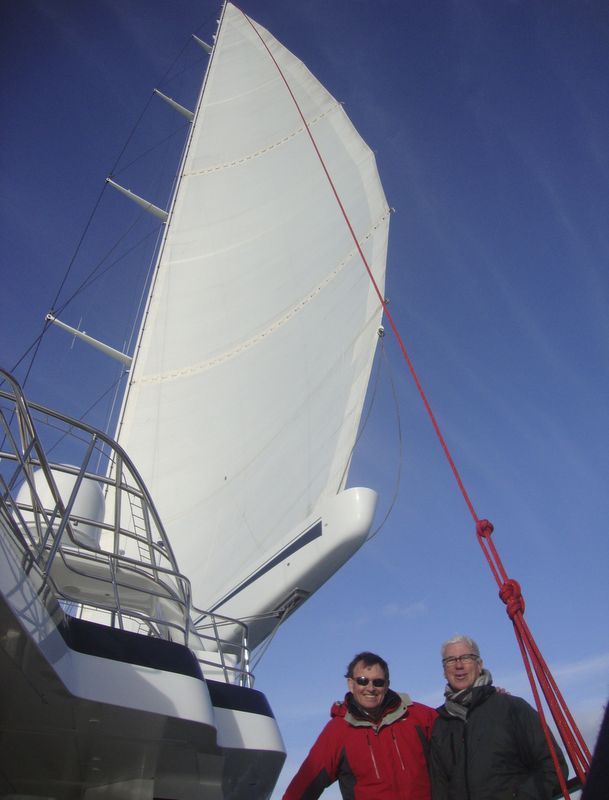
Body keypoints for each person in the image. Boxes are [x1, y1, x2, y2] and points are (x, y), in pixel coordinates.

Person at [282, 650, 437, 799]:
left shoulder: (418, 716)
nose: (370, 688)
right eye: (362, 681)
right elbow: (302, 786)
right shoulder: (337, 732)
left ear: (387, 684)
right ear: (351, 684)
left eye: (378, 682)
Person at [429, 634, 568, 800]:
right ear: (444, 671)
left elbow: (553, 765)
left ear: (479, 665)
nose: (459, 665)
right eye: (451, 660)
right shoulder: (441, 725)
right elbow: (440, 787)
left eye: (466, 658)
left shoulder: (512, 708)